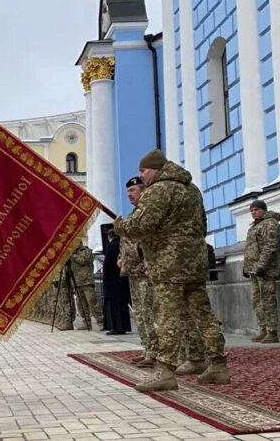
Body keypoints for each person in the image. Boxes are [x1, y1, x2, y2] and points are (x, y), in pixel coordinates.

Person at [114, 149, 229, 391]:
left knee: (166, 316)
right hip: (195, 261)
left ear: (154, 169)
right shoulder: (192, 189)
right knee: (204, 315)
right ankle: (218, 365)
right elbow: (203, 224)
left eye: (143, 171)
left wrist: (120, 226)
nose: (141, 176)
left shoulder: (158, 190)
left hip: (168, 264)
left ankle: (165, 371)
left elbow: (142, 225)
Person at [120, 178, 157, 367]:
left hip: (145, 271)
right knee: (140, 314)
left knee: (148, 312)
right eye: (128, 192)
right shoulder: (133, 214)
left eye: (133, 190)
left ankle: (155, 351)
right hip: (133, 271)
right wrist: (122, 257)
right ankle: (147, 349)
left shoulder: (148, 213)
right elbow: (126, 240)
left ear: (143, 191)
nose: (129, 195)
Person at [243, 199, 280, 343]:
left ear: (263, 210)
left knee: (268, 300)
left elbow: (270, 246)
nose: (254, 212)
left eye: (257, 209)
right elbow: (251, 248)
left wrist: (261, 266)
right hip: (253, 270)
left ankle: (272, 332)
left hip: (265, 270)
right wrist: (246, 267)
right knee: (257, 301)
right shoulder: (254, 226)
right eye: (252, 210)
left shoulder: (270, 224)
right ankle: (263, 329)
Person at [102, 230, 131, 335]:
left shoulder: (112, 246)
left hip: (112, 281)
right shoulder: (121, 244)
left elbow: (108, 265)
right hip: (120, 280)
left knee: (114, 306)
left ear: (109, 236)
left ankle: (117, 327)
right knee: (121, 304)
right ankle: (121, 327)